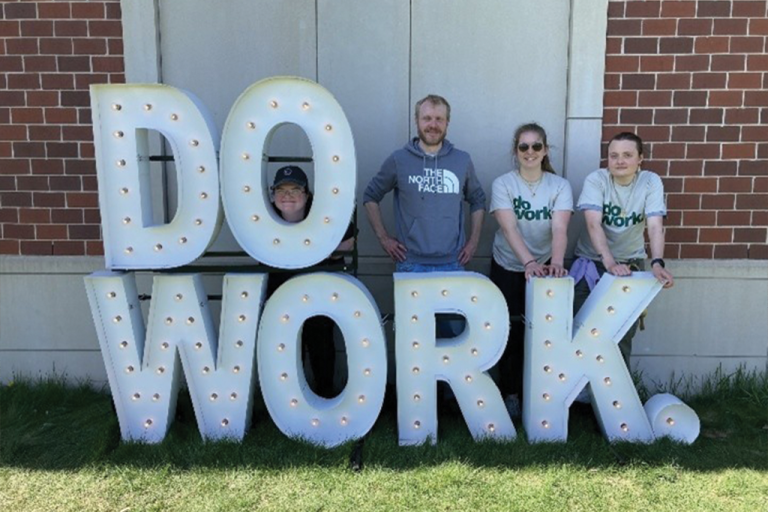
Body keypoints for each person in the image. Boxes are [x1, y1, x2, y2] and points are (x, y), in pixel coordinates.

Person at [489, 122, 573, 418]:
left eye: (536, 146)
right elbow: (509, 228)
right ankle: (510, 394)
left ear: (545, 150)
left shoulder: (559, 186)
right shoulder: (503, 184)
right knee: (510, 333)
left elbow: (560, 228)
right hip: (508, 265)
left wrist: (556, 263)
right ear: (516, 151)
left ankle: (540, 396)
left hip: (546, 266)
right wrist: (528, 263)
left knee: (544, 333)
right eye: (523, 146)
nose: (530, 152)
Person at [571, 131, 674, 368]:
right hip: (592, 262)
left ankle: (618, 388)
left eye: (627, 155)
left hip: (631, 263)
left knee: (622, 334)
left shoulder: (650, 181)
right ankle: (581, 390)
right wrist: (609, 263)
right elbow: (593, 224)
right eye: (614, 155)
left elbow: (655, 225)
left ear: (640, 158)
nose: (620, 161)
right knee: (582, 330)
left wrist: (657, 262)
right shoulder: (597, 180)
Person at [363, 94, 486, 273]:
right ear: (417, 121)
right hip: (410, 263)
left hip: (453, 262)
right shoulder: (399, 160)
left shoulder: (462, 160)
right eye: (427, 118)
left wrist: (473, 242)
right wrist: (384, 239)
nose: (433, 125)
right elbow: (370, 196)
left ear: (447, 122)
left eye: (439, 119)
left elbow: (478, 200)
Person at [265, 165, 355, 398]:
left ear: (306, 194)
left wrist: (322, 251)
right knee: (284, 347)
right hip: (281, 293)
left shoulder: (321, 213)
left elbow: (349, 241)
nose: (287, 196)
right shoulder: (265, 217)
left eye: (295, 190)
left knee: (320, 343)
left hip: (318, 294)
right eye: (281, 190)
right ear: (273, 194)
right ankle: (286, 398)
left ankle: (323, 395)